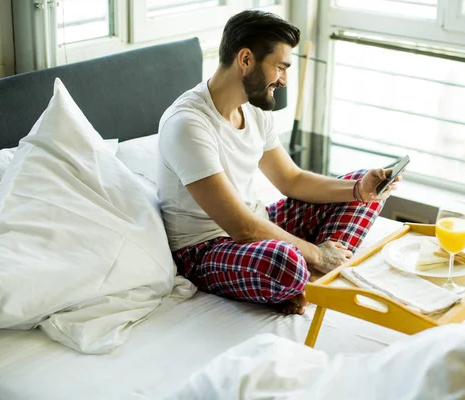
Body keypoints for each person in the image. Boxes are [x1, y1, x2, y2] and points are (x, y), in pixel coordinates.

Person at [157, 10, 399, 315]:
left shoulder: (254, 110)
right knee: (284, 262)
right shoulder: (188, 125)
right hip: (205, 250)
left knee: (363, 188)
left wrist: (358, 189)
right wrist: (314, 253)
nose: (284, 80)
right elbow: (241, 226)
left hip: (260, 222)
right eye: (280, 67)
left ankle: (312, 277)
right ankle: (309, 271)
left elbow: (291, 180)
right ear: (246, 60)